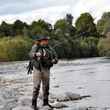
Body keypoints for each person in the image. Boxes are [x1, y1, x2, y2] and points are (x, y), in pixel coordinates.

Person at [29, 35, 58, 110]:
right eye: (44, 40)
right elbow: (30, 54)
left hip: (46, 69)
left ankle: (46, 103)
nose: (46, 41)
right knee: (37, 86)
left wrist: (54, 61)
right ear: (40, 41)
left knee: (46, 87)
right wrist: (36, 54)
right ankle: (33, 104)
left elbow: (56, 57)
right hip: (37, 69)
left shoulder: (50, 48)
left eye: (47, 40)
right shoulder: (35, 47)